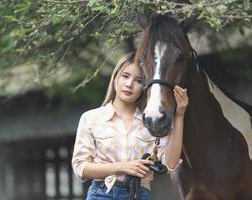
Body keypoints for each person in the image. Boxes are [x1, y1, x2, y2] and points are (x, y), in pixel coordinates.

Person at [72, 52, 189, 200]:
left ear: (145, 86)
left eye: (138, 80)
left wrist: (179, 115)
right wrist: (123, 167)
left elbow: (170, 164)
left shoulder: (151, 122)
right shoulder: (91, 118)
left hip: (138, 194)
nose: (129, 84)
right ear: (115, 77)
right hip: (101, 194)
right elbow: (81, 168)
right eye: (125, 76)